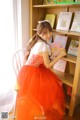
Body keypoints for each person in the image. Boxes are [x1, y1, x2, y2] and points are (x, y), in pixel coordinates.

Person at [16, 21, 66, 120]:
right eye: (45, 33)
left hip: (26, 71)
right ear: (39, 34)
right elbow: (48, 65)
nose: (48, 35)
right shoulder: (43, 45)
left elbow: (46, 55)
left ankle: (42, 108)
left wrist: (55, 52)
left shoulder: (37, 41)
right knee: (52, 85)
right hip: (32, 73)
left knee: (50, 83)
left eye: (49, 32)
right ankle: (43, 109)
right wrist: (60, 56)